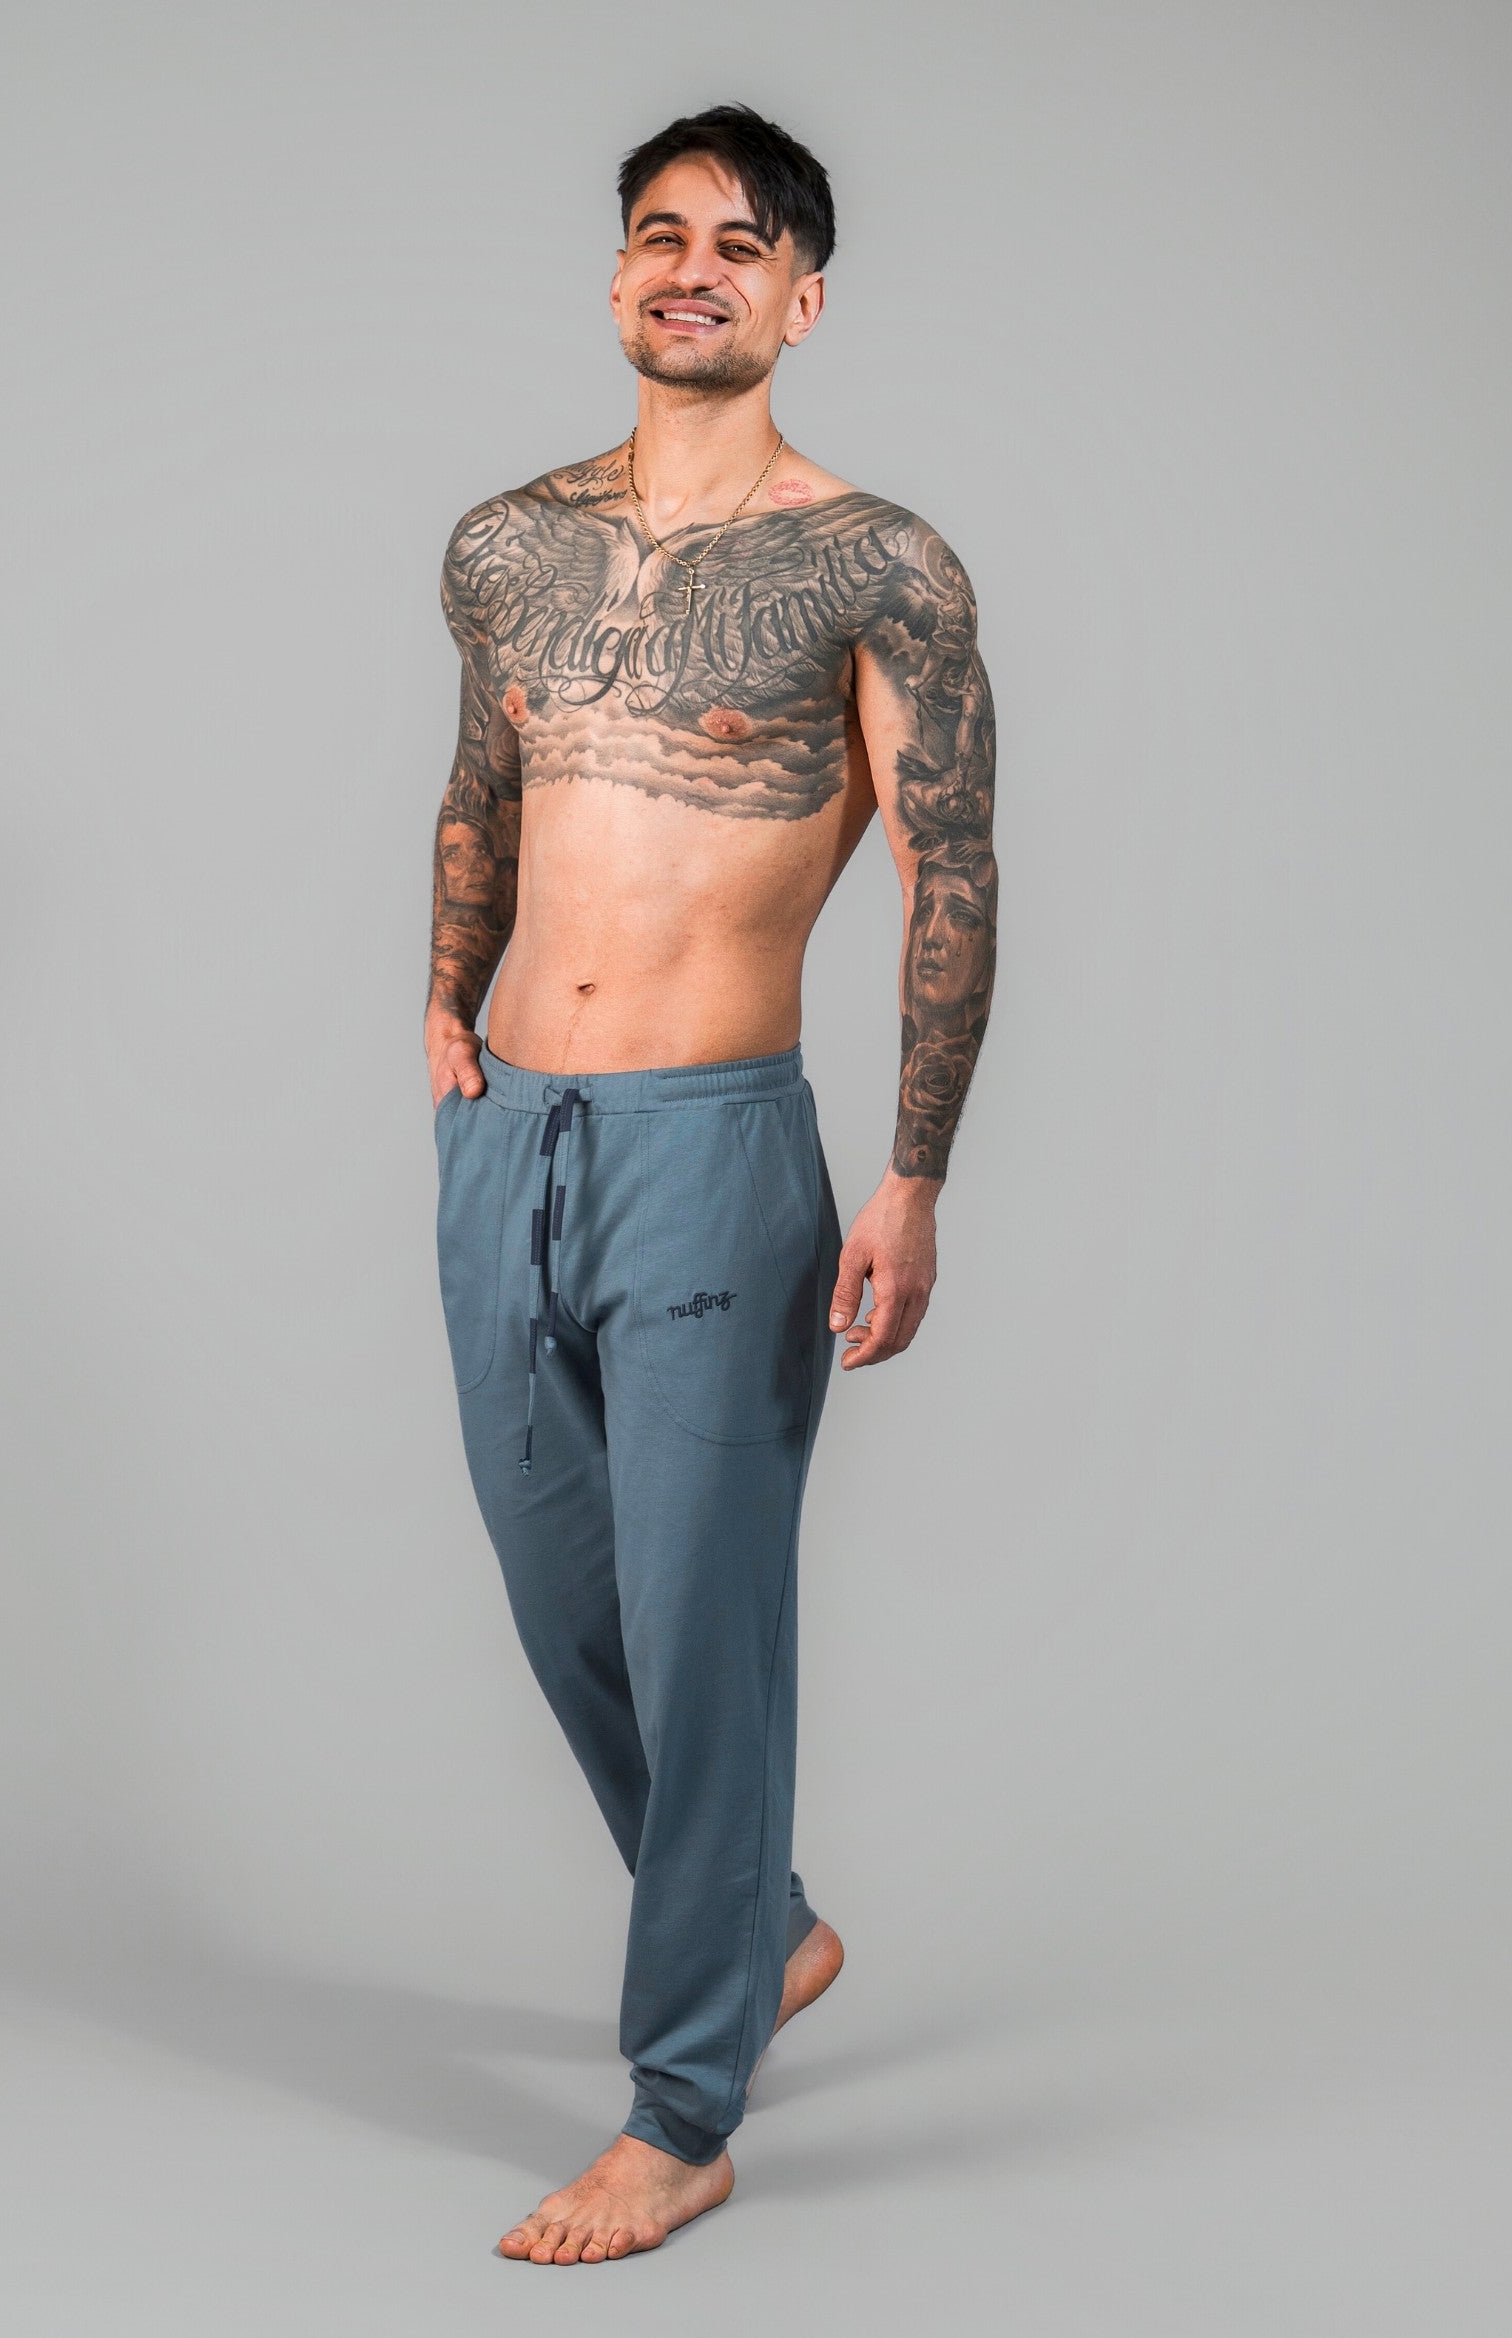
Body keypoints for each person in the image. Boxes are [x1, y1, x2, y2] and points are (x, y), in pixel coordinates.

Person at [425, 101, 998, 2263]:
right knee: (564, 1596)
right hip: (510, 1132)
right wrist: (444, 991)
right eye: (660, 236)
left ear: (800, 299)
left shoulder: (880, 565)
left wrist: (913, 1173)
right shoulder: (506, 542)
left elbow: (953, 869)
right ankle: (766, 1921)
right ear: (616, 277)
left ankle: (683, 2105)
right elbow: (485, 771)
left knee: (703, 1628)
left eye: (739, 245)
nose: (693, 270)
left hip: (713, 1144)